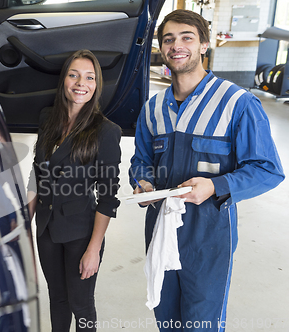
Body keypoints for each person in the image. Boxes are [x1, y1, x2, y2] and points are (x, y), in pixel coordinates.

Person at [129, 9, 285, 331]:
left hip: (210, 232)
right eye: (169, 39)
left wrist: (214, 186)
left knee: (202, 321)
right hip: (161, 226)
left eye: (187, 37)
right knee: (166, 316)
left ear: (204, 45)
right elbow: (141, 160)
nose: (177, 46)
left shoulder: (236, 103)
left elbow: (268, 169)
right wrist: (142, 182)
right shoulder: (153, 108)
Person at [27, 49, 122, 331]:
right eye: (74, 75)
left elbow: (107, 197)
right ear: (64, 80)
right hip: (46, 228)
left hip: (81, 232)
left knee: (80, 304)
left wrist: (94, 249)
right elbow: (37, 173)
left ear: (97, 85)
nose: (81, 83)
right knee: (57, 299)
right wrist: (23, 223)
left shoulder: (105, 131)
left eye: (89, 77)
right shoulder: (48, 119)